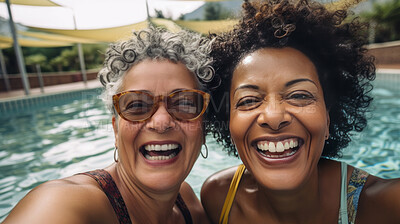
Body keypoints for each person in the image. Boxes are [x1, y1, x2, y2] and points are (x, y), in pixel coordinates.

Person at [201, 0, 400, 223]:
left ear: (328, 117)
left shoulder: (383, 205)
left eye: (299, 95)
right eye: (249, 100)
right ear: (229, 122)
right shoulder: (219, 197)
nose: (274, 117)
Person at [4, 27, 214, 224]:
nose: (160, 122)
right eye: (137, 105)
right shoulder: (66, 203)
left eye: (185, 103)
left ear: (203, 130)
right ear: (115, 130)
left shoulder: (189, 204)